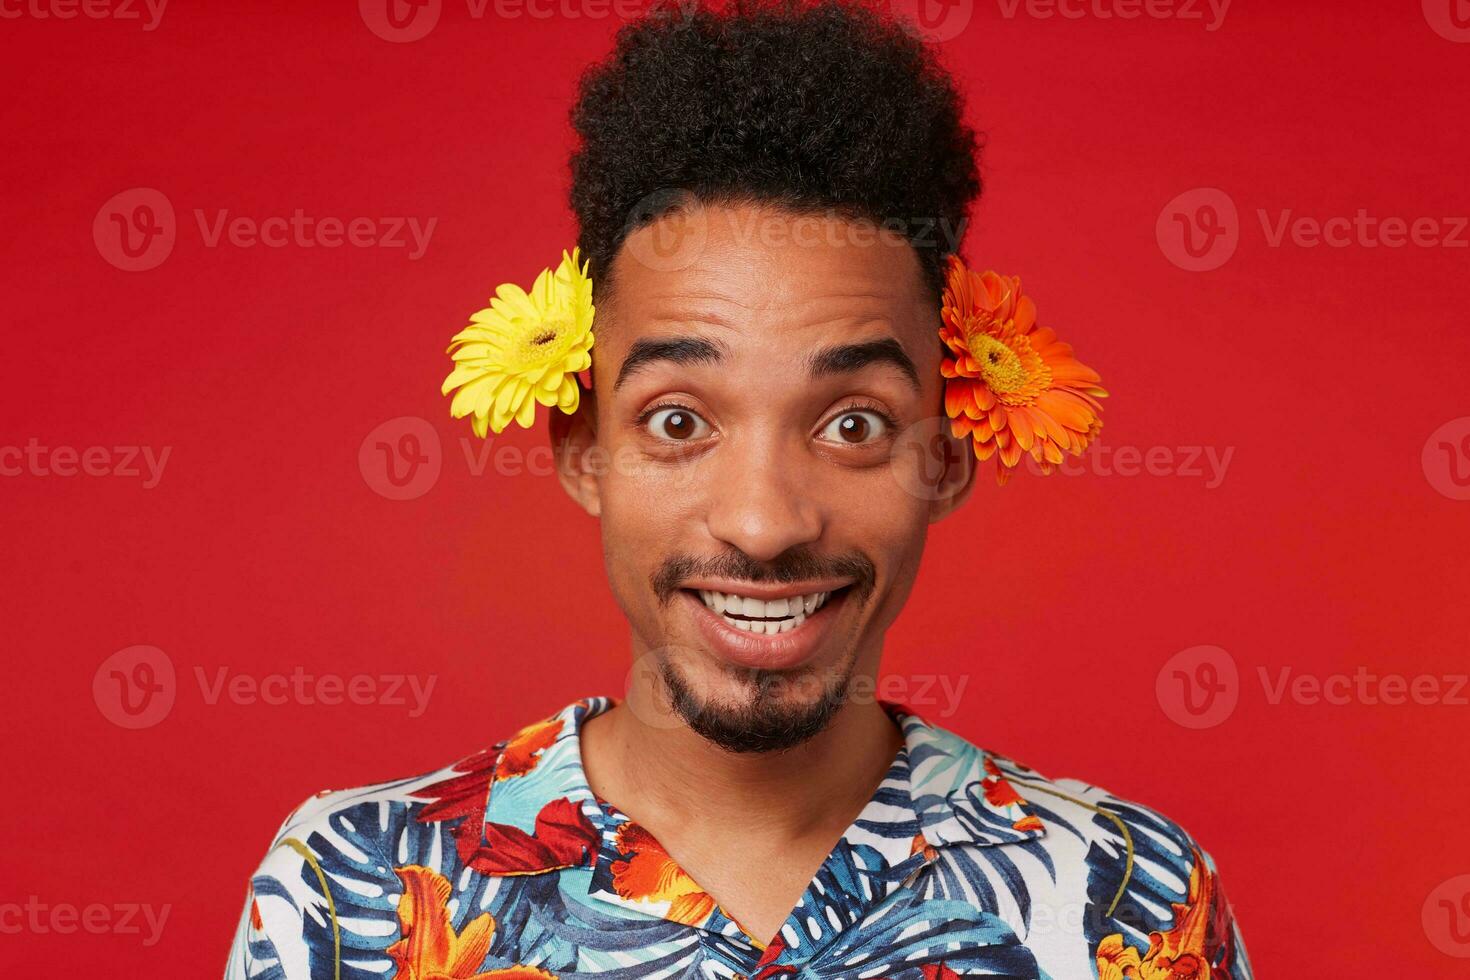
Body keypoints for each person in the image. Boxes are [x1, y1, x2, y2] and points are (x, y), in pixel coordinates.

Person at [226, 1, 1250, 976]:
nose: (763, 523)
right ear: (584, 449)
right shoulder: (348, 897)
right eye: (680, 422)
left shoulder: (1128, 903)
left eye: (853, 425)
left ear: (946, 456)